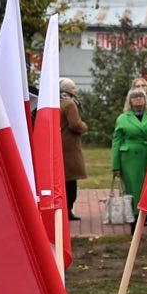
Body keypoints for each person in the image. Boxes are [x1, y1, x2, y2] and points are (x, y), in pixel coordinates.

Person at [111, 85, 147, 237]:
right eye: (134, 97)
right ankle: (134, 226)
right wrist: (116, 165)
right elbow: (116, 142)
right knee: (133, 192)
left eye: (141, 97)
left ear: (145, 99)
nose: (138, 100)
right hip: (130, 160)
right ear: (130, 101)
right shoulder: (123, 118)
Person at [60, 78, 87, 220]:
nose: (75, 90)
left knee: (62, 180)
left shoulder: (57, 102)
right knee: (71, 181)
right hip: (70, 146)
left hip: (60, 144)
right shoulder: (69, 104)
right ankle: (68, 210)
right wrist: (84, 126)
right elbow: (75, 124)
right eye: (73, 87)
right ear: (67, 90)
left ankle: (63, 210)